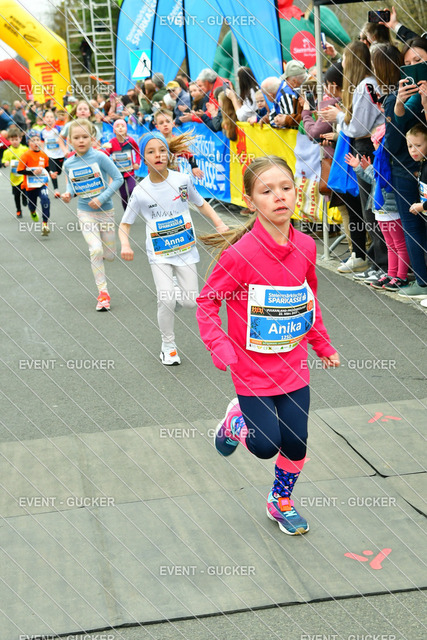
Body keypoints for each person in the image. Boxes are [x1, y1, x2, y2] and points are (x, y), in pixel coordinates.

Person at [196, 156, 339, 535]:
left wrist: (322, 344)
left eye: (286, 188)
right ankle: (236, 422)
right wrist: (219, 346)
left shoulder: (306, 246)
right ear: (250, 201)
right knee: (264, 446)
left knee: (296, 442)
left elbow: (308, 299)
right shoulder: (240, 255)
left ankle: (280, 501)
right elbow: (207, 303)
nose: (279, 196)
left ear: (296, 192)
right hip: (252, 370)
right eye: (267, 191)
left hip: (293, 365)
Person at [118, 131, 228, 366]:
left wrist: (219, 223)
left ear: (168, 154)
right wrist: (125, 244)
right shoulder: (140, 191)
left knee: (190, 302)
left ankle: (175, 291)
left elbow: (201, 203)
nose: (158, 155)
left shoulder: (181, 181)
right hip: (159, 253)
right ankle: (168, 346)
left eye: (162, 150)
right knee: (166, 300)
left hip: (185, 250)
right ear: (143, 158)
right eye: (151, 152)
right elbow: (125, 223)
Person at [320, 41, 385, 275]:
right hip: (365, 147)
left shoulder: (364, 87)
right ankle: (377, 261)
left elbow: (357, 128)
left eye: (346, 59)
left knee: (371, 209)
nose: (343, 64)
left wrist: (339, 116)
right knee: (369, 208)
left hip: (366, 149)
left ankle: (381, 263)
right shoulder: (367, 85)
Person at [61, 119, 124, 311]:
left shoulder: (100, 157)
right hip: (85, 212)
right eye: (76, 137)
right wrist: (68, 194)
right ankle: (103, 293)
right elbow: (72, 184)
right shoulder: (68, 163)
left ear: (92, 138)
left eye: (85, 136)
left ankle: (108, 252)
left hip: (105, 211)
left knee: (109, 255)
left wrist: (102, 198)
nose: (81, 140)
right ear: (70, 140)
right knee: (95, 250)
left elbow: (118, 178)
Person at [345, 125, 409, 291]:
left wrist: (365, 168)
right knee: (391, 245)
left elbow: (379, 180)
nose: (373, 144)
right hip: (380, 210)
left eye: (375, 141)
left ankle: (401, 276)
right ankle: (391, 274)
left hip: (391, 210)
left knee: (399, 244)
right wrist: (360, 168)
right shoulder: (380, 162)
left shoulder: (391, 163)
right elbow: (373, 179)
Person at [406, 123, 427, 306]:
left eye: (418, 145)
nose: (413, 150)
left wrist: (422, 206)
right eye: (410, 146)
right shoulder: (422, 164)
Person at [17, 130, 51, 235]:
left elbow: (46, 168)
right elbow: (19, 171)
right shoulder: (25, 155)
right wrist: (32, 172)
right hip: (30, 186)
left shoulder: (44, 155)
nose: (36, 142)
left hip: (42, 184)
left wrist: (51, 174)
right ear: (28, 143)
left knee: (45, 200)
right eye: (33, 140)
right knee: (32, 205)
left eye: (37, 139)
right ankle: (32, 211)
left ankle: (45, 224)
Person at [153, 109, 203, 179]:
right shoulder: (154, 142)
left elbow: (189, 155)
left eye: (168, 121)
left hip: (174, 176)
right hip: (157, 176)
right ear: (157, 127)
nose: (165, 124)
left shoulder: (176, 141)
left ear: (173, 123)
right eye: (161, 123)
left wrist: (194, 167)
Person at [104, 119, 141, 211]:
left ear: (126, 129)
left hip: (130, 171)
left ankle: (133, 209)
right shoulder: (111, 142)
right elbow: (105, 155)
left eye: (122, 126)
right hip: (118, 174)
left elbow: (137, 151)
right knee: (124, 196)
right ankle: (126, 212)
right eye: (117, 126)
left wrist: (137, 163)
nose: (120, 128)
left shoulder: (130, 141)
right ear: (114, 130)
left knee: (132, 191)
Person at [2, 127, 28, 218]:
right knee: (16, 195)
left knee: (25, 190)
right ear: (9, 140)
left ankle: (25, 198)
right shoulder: (7, 152)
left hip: (24, 176)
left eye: (16, 139)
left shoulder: (24, 149)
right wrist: (5, 163)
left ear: (20, 139)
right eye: (12, 140)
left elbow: (29, 158)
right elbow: (4, 161)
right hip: (14, 178)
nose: (15, 142)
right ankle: (18, 210)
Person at [41, 110, 67, 198]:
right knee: (53, 172)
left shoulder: (58, 129)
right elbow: (42, 142)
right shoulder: (43, 131)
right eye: (47, 117)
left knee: (58, 172)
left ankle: (57, 173)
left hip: (59, 154)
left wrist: (65, 149)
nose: (49, 119)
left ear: (54, 119)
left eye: (51, 117)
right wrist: (42, 153)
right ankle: (56, 190)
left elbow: (64, 139)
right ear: (44, 119)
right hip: (49, 155)